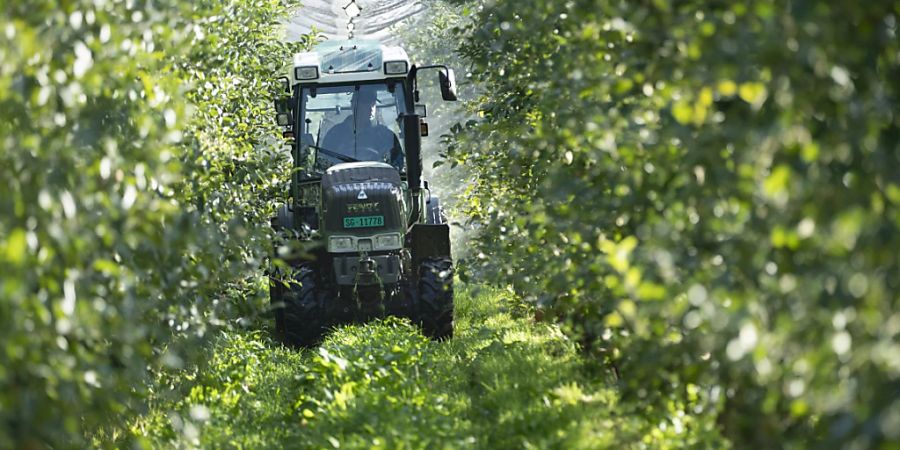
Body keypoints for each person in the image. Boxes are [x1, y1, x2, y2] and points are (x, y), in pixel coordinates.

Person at [321, 88, 403, 168]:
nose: (370, 108)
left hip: (379, 180)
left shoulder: (385, 136)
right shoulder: (335, 135)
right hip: (341, 180)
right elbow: (323, 164)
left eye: (373, 104)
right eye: (365, 102)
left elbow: (397, 166)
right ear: (353, 105)